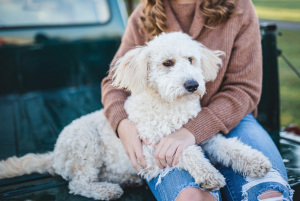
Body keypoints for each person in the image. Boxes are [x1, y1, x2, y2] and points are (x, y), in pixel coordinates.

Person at [101, 0, 294, 200]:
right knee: (194, 197)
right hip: (163, 124)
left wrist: (193, 130)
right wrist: (122, 123)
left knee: (269, 192)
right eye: (168, 63)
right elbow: (113, 83)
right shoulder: (144, 12)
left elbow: (245, 88)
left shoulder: (240, 7)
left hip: (233, 118)